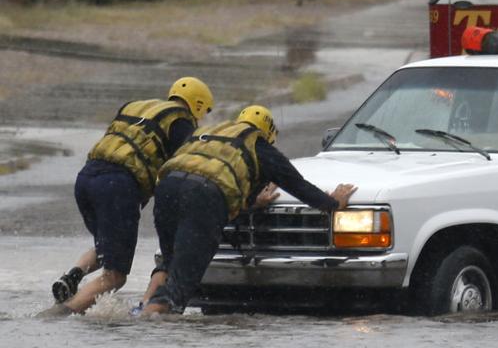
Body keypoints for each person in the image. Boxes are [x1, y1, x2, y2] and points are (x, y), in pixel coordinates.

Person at [140, 105, 356, 316]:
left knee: (171, 263)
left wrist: (251, 201)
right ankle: (151, 321)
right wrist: (333, 203)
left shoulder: (209, 134)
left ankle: (142, 307)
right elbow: (299, 187)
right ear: (268, 134)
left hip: (166, 190)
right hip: (202, 197)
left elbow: (206, 172)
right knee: (180, 284)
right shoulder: (259, 147)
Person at [39, 76, 213, 318]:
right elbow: (185, 169)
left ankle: (73, 275)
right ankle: (59, 314)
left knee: (107, 246)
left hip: (86, 177)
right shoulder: (181, 122)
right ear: (198, 104)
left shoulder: (135, 107)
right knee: (116, 275)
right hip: (117, 185)